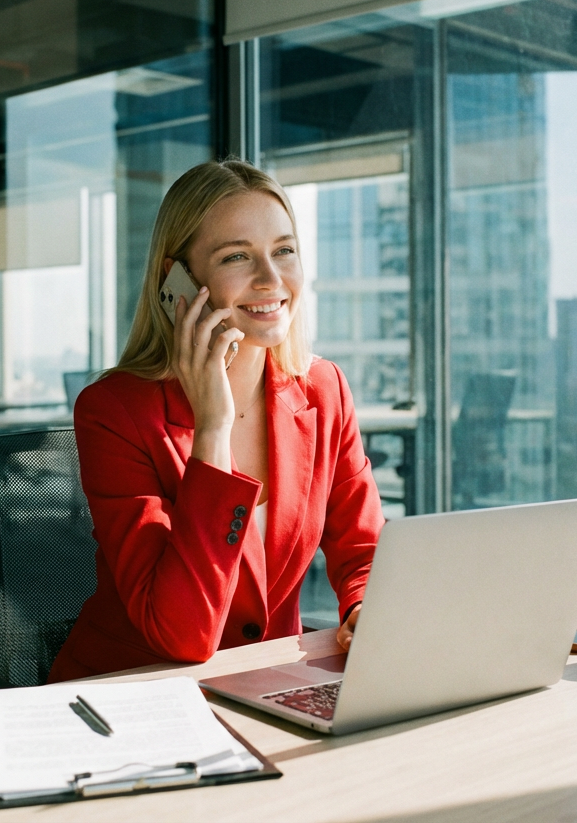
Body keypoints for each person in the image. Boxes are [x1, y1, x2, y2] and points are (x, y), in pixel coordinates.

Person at [48, 160, 384, 682]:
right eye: (236, 256)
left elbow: (363, 551)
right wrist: (212, 429)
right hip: (133, 699)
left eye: (284, 250)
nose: (271, 279)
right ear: (177, 280)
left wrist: (365, 613)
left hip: (269, 685)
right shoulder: (114, 412)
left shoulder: (324, 389)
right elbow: (181, 635)